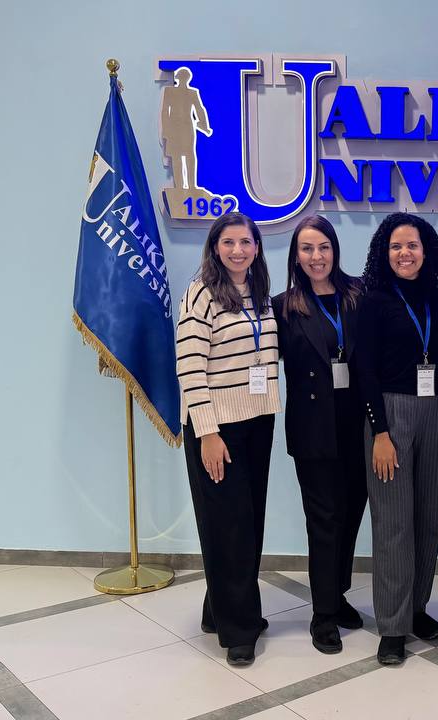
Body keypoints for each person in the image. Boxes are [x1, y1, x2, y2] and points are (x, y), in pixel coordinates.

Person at [176, 212, 279, 667]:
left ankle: (218, 611)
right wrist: (208, 432)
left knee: (247, 523)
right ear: (215, 247)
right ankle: (239, 630)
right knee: (228, 526)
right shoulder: (201, 293)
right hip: (218, 429)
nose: (238, 250)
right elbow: (189, 367)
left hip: (258, 421)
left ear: (257, 247)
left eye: (246, 242)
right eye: (229, 242)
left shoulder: (260, 291)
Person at [354, 212, 438, 666]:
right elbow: (365, 370)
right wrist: (379, 431)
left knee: (429, 516)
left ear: (426, 251)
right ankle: (392, 627)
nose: (405, 253)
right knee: (394, 523)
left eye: (412, 245)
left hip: (435, 412)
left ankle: (416, 608)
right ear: (384, 252)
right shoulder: (372, 300)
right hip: (390, 416)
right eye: (396, 246)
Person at [271, 215, 367, 655]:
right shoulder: (283, 306)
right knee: (324, 520)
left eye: (323, 247)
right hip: (313, 430)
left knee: (350, 516)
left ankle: (338, 593)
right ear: (296, 256)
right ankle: (323, 614)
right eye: (307, 249)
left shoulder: (358, 295)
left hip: (357, 425)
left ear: (335, 250)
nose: (316, 256)